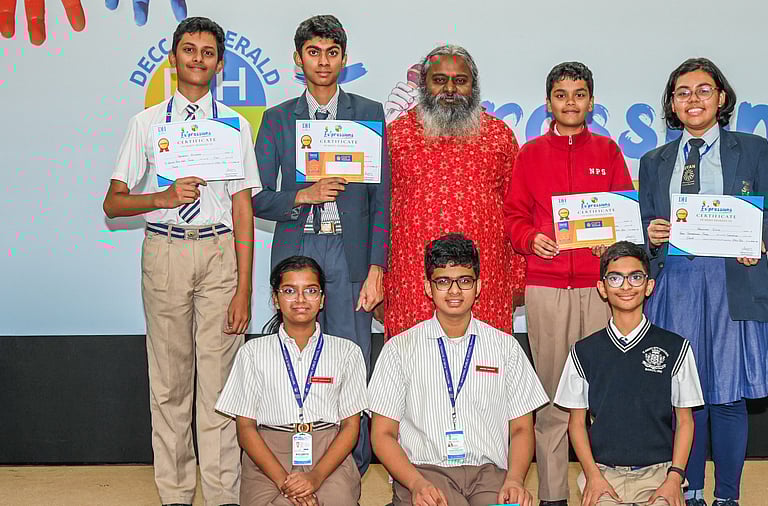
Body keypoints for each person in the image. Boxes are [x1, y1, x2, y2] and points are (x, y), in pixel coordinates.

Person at [102, 16, 260, 506]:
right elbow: (113, 203)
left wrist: (244, 289)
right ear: (174, 58)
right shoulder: (146, 124)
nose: (197, 58)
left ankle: (220, 495)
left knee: (217, 384)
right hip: (165, 250)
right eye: (188, 49)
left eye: (207, 51)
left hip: (218, 253)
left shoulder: (233, 124)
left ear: (219, 62)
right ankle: (174, 494)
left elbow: (242, 209)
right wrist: (162, 198)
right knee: (169, 382)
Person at [638, 57, 768, 506]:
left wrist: (758, 239)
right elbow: (645, 223)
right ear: (672, 104)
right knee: (685, 395)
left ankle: (727, 497)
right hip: (676, 285)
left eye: (704, 90)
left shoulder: (753, 149)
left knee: (727, 395)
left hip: (731, 284)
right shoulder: (654, 161)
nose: (693, 99)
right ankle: (689, 490)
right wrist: (650, 234)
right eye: (683, 92)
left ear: (721, 98)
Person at [252, 14, 390, 475]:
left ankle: (354, 462)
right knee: (299, 356)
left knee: (352, 357)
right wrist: (302, 196)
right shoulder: (276, 119)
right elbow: (256, 198)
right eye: (314, 52)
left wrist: (377, 268)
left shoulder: (369, 113)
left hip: (350, 255)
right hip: (299, 249)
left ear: (344, 59)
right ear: (298, 60)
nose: (323, 61)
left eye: (332, 52)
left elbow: (381, 199)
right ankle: (299, 452)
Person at [503, 61, 634, 506]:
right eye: (562, 95)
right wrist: (529, 238)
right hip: (547, 288)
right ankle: (554, 496)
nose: (570, 102)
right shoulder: (530, 154)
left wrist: (611, 243)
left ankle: (608, 489)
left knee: (605, 394)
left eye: (579, 94)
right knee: (555, 396)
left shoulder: (609, 152)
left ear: (591, 101)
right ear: (549, 102)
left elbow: (624, 216)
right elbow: (513, 217)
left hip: (601, 291)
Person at [369, 234, 548, 506]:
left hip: (490, 476)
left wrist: (514, 479)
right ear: (429, 288)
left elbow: (522, 428)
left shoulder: (506, 348)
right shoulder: (399, 349)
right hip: (425, 472)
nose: (454, 291)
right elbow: (382, 434)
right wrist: (416, 483)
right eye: (443, 282)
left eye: (464, 281)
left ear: (478, 286)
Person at [383, 44, 524, 337]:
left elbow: (518, 208)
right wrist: (376, 277)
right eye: (439, 80)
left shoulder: (499, 135)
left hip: (487, 282)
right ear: (423, 85)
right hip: (411, 284)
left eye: (460, 80)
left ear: (473, 86)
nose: (449, 88)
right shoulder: (395, 136)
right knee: (414, 368)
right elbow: (376, 212)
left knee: (486, 370)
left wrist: (518, 280)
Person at [555, 241, 704, 506]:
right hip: (603, 474)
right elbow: (576, 424)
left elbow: (685, 421)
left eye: (635, 277)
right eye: (615, 278)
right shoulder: (583, 351)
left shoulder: (676, 348)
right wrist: (592, 475)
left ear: (649, 286)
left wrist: (674, 477)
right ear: (602, 288)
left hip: (659, 474)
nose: (626, 286)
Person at [216, 256, 367, 506]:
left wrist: (315, 478)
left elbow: (351, 428)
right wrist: (285, 483)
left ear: (322, 299)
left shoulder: (347, 352)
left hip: (328, 456)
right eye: (289, 291)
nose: (300, 299)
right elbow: (245, 429)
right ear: (275, 299)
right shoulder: (252, 353)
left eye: (310, 290)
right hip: (268, 459)